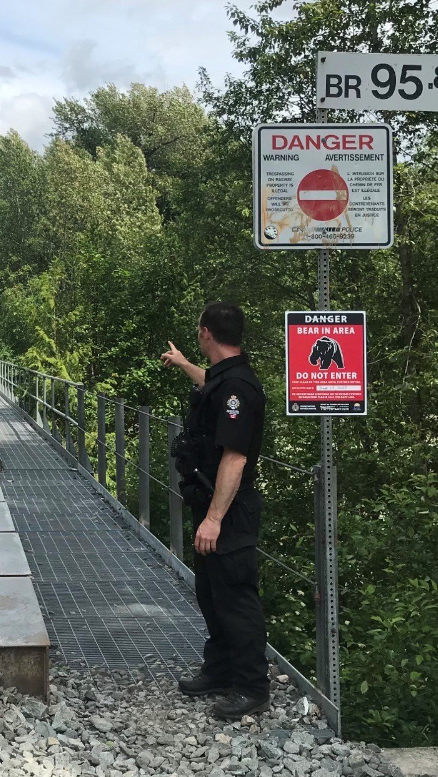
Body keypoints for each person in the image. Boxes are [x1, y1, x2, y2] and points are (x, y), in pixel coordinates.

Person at [160, 301, 270, 719]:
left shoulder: (238, 388)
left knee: (236, 598)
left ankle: (252, 688)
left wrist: (214, 519)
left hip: (228, 511)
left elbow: (235, 458)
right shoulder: (226, 378)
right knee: (211, 594)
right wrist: (185, 363)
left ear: (207, 332)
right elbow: (209, 382)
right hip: (210, 504)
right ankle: (221, 670)